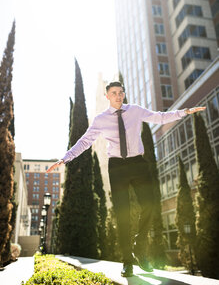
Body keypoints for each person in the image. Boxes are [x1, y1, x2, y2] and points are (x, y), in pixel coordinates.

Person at [47, 81, 206, 277]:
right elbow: (84, 142)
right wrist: (64, 159)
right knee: (123, 214)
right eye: (114, 93)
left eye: (121, 92)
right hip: (117, 167)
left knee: (149, 204)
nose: (119, 96)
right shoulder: (100, 120)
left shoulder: (135, 111)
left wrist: (185, 112)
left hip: (138, 163)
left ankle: (139, 246)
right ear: (107, 96)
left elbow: (160, 117)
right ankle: (127, 261)